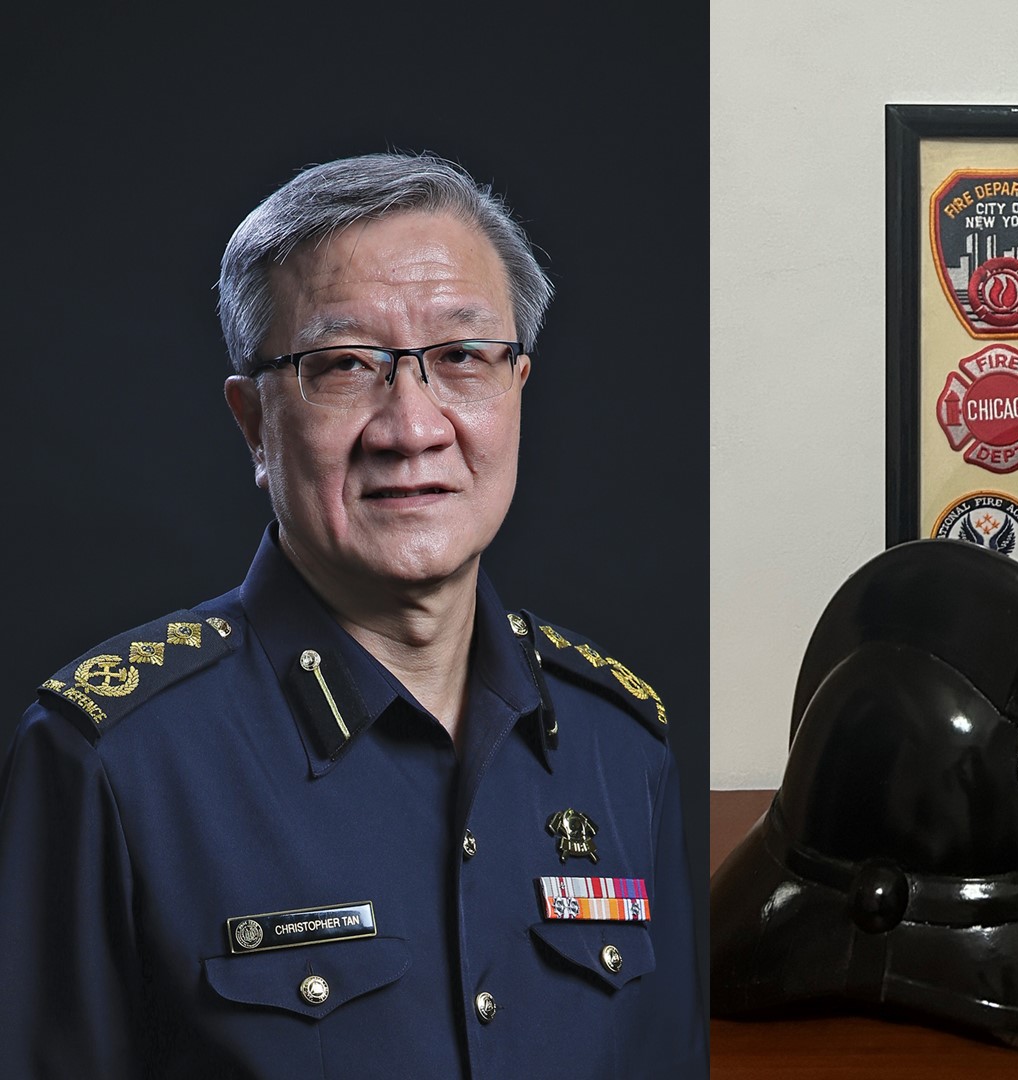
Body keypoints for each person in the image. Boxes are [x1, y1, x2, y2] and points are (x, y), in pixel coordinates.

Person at [0, 153, 707, 1077]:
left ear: (518, 389)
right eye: (344, 366)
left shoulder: (623, 748)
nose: (412, 427)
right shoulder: (109, 763)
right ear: (254, 422)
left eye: (461, 358)